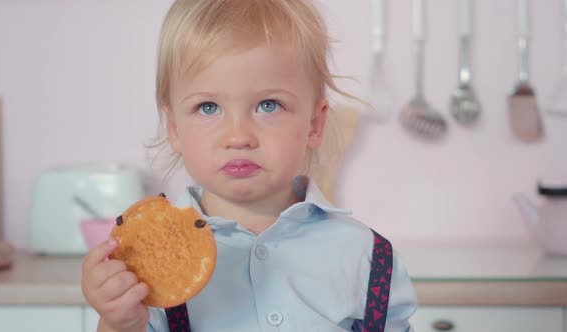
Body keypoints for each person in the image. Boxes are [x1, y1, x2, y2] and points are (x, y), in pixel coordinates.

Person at [81, 0, 417, 331]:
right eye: (208, 107)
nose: (238, 136)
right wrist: (117, 324)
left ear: (314, 124)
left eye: (268, 105)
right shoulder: (144, 273)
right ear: (174, 129)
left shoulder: (367, 258)